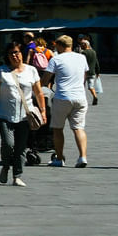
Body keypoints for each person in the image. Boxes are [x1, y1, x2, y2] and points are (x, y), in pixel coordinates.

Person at [0, 41, 46, 186]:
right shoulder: (2, 71)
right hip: (4, 114)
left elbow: (38, 92)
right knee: (8, 143)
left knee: (20, 147)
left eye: (17, 52)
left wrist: (43, 111)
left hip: (26, 116)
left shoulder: (31, 70)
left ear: (22, 54)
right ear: (7, 56)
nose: (14, 56)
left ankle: (17, 175)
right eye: (11, 53)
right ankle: (6, 167)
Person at [43, 34, 93, 168]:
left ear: (59, 45)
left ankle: (59, 159)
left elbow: (45, 79)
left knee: (58, 129)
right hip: (80, 97)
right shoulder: (82, 58)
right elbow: (84, 77)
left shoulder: (56, 59)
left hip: (62, 97)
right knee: (79, 128)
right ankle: (82, 157)